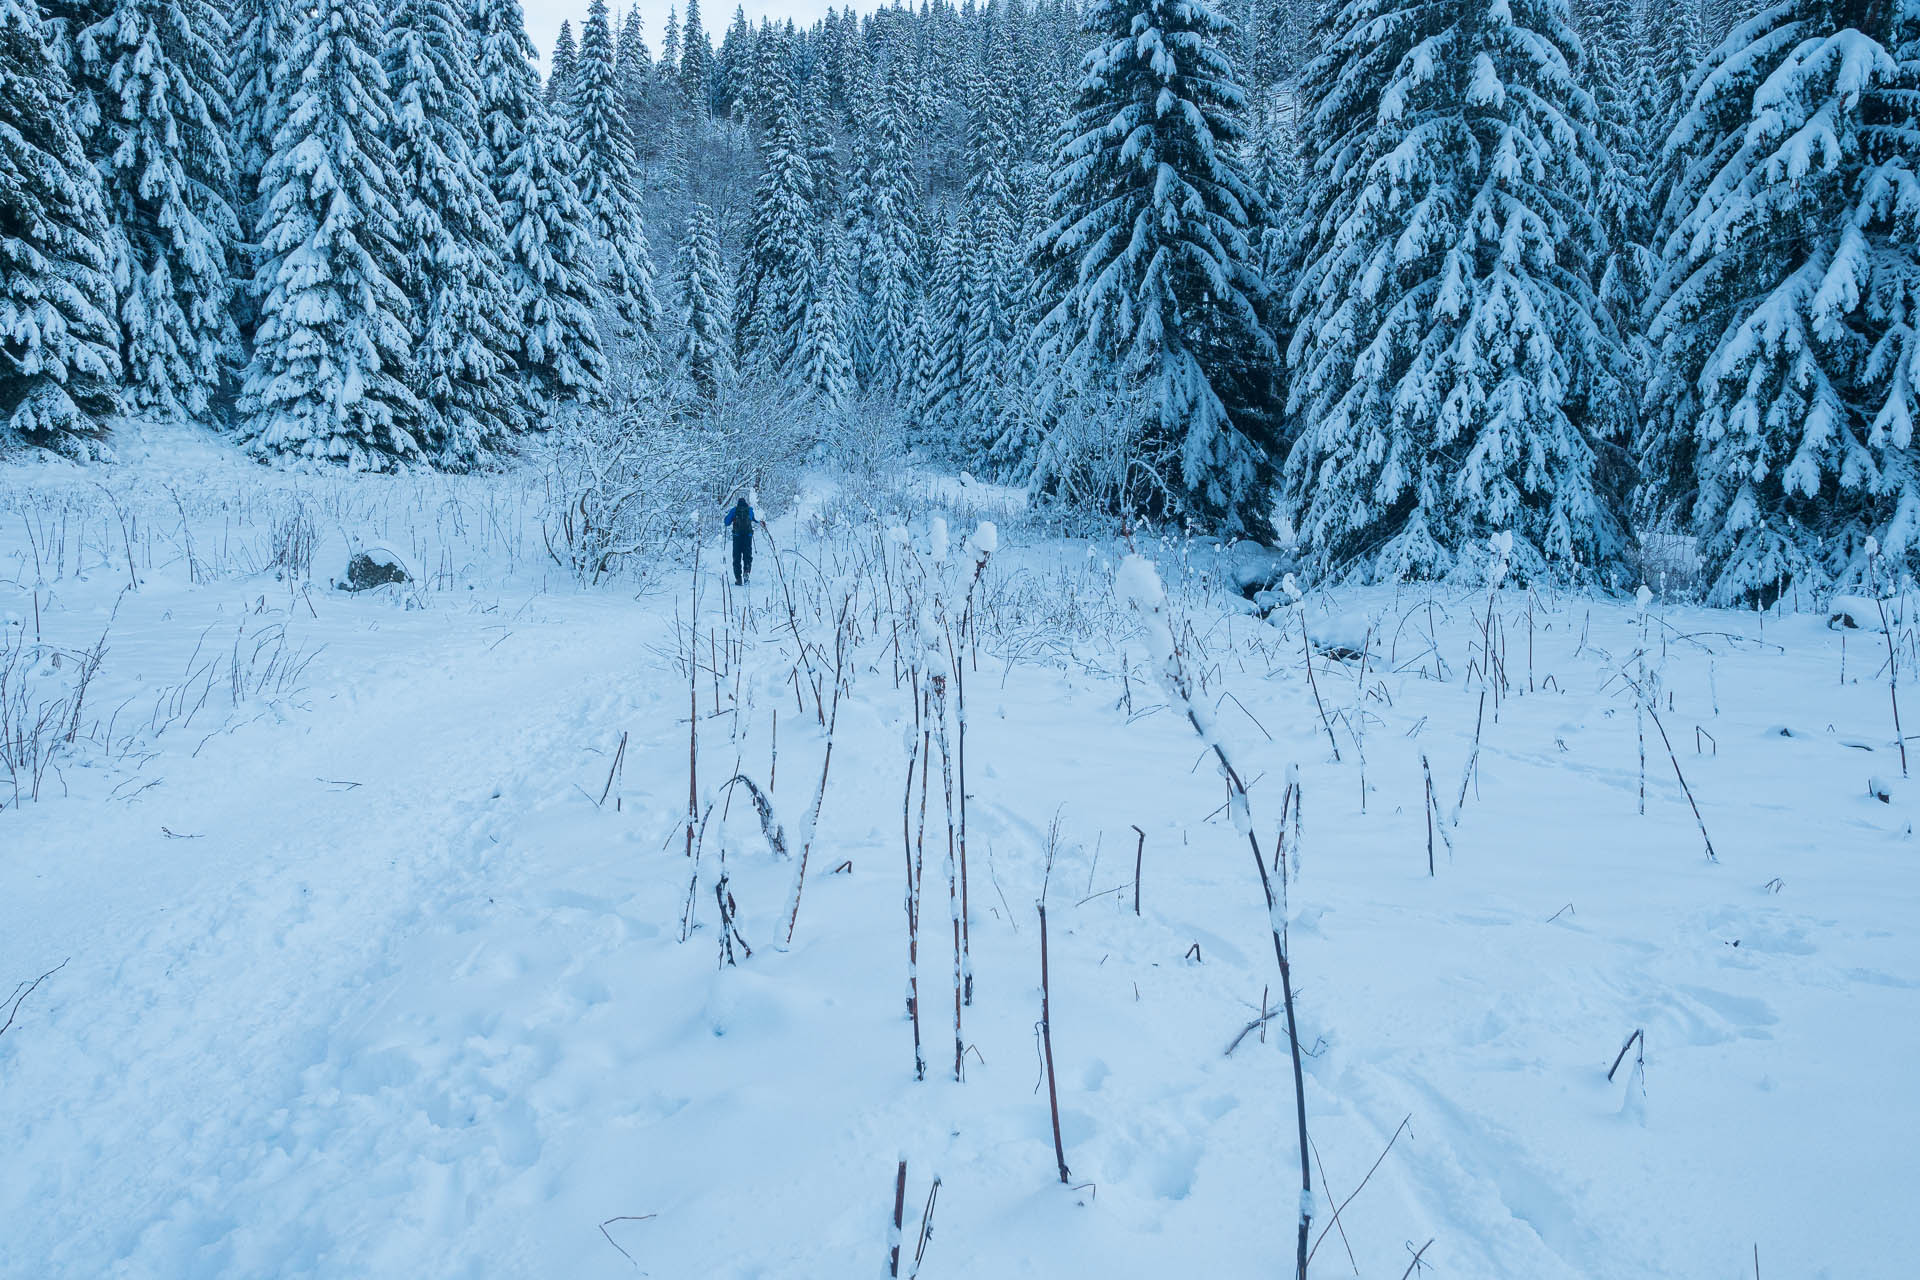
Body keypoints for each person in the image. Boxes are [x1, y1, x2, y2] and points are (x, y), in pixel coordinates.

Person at [724, 495, 756, 585]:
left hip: (737, 537)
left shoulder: (734, 510)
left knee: (736, 557)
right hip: (748, 536)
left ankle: (738, 578)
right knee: (747, 556)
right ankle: (746, 572)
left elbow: (726, 522)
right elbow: (757, 519)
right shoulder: (750, 510)